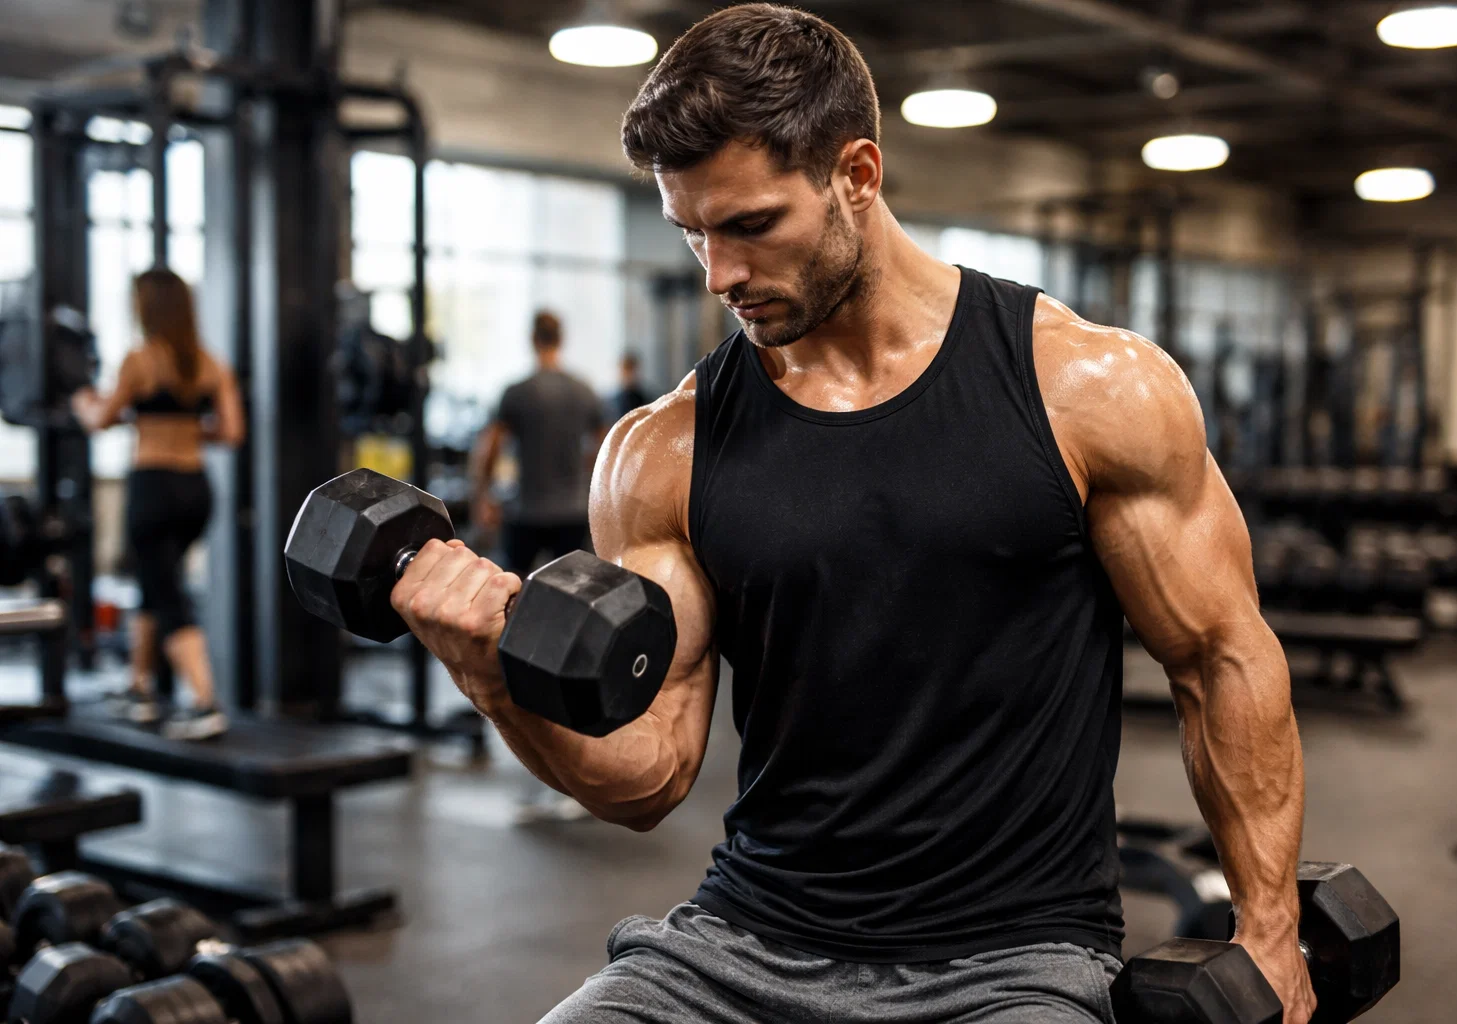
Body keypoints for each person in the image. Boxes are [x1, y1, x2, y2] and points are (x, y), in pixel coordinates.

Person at [392, 6, 1312, 1023]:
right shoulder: (662, 451)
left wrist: (1268, 931)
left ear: (857, 177)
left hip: (1014, 962)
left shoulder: (1088, 387)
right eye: (692, 231)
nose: (719, 275)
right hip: (741, 944)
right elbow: (648, 774)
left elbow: (1223, 657)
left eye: (749, 225)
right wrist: (491, 676)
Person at [72, 267, 245, 740]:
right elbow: (231, 432)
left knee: (166, 591)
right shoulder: (210, 364)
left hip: (153, 485)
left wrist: (82, 402)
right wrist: (188, 427)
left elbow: (100, 420)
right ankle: (139, 687)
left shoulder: (140, 360)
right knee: (157, 579)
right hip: (195, 489)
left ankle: (205, 703)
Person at [470, 309, 607, 824]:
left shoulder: (518, 391)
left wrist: (484, 495)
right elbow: (605, 443)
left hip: (528, 514)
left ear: (533, 340)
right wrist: (588, 484)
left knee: (510, 621)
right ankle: (578, 739)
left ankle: (527, 723)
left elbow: (490, 448)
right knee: (576, 624)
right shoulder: (581, 389)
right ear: (561, 337)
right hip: (572, 512)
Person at [609, 350, 652, 421]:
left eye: (629, 369)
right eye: (624, 369)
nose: (626, 374)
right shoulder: (612, 402)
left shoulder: (646, 399)